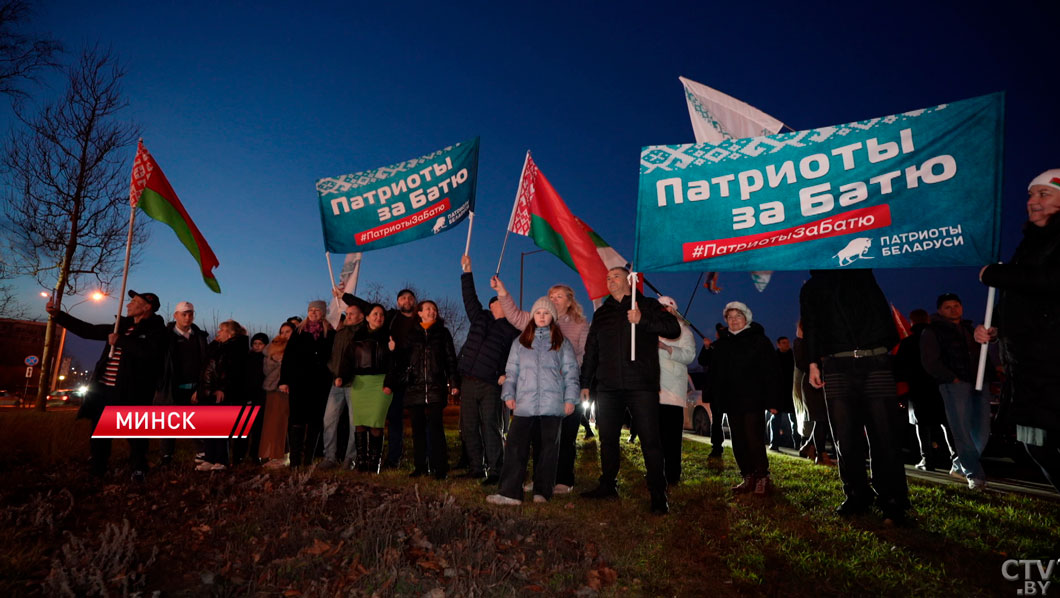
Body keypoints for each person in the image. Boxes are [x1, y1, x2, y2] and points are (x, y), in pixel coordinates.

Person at [800, 269, 909, 524]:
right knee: (845, 436)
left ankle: (892, 500)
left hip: (875, 359)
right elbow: (811, 324)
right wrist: (813, 362)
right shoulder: (812, 287)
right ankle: (856, 495)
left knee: (885, 434)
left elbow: (880, 310)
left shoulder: (862, 271)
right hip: (837, 365)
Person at [976, 169, 1060, 492]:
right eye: (1030, 195)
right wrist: (994, 326)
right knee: (1035, 445)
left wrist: (999, 274)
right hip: (1028, 367)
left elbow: (1050, 281)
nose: (1032, 202)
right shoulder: (1030, 243)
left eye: (1044, 195)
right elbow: (1023, 296)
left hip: (1053, 365)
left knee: (1045, 443)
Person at [579, 267, 680, 514]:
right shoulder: (602, 313)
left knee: (650, 441)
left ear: (628, 280)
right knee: (608, 439)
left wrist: (641, 320)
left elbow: (673, 329)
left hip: (641, 384)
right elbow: (592, 349)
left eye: (615, 276)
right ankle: (607, 486)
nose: (609, 281)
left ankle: (658, 494)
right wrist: (585, 382)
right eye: (607, 278)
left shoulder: (645, 304)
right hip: (608, 386)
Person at [46, 290, 166, 482]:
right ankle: (98, 467)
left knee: (135, 432)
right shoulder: (120, 326)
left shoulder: (157, 330)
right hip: (104, 389)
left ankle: (139, 467)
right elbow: (89, 331)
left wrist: (122, 342)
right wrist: (58, 315)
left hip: (131, 391)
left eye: (134, 301)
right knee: (99, 431)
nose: (128, 304)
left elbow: (150, 354)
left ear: (147, 307)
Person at [491, 275, 590, 494]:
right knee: (540, 437)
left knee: (564, 438)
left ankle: (563, 479)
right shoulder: (536, 319)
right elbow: (514, 315)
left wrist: (565, 372)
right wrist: (502, 292)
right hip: (537, 392)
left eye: (559, 296)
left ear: (570, 301)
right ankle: (540, 480)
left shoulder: (580, 325)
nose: (553, 299)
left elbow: (585, 355)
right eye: (551, 296)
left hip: (564, 387)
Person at [700, 302, 781, 495]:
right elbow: (711, 370)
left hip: (753, 399)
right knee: (738, 440)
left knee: (754, 438)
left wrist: (773, 400)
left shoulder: (760, 341)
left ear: (746, 318)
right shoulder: (722, 344)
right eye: (730, 317)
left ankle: (762, 476)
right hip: (730, 400)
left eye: (738, 316)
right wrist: (712, 395)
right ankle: (747, 476)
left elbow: (772, 372)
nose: (734, 320)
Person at [456, 256, 520, 484]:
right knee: (470, 426)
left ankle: (496, 470)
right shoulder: (479, 318)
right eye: (494, 302)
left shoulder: (512, 331)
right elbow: (469, 297)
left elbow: (516, 357)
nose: (497, 304)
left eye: (501, 302)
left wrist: (507, 374)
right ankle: (476, 467)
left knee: (491, 426)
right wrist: (467, 272)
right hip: (469, 381)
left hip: (491, 384)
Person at [345, 288, 420, 468]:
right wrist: (344, 296)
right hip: (393, 375)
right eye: (402, 298)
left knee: (414, 421)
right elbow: (368, 307)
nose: (406, 300)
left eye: (410, 298)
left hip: (415, 376)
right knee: (392, 418)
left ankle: (418, 460)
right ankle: (391, 459)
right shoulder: (391, 318)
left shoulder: (420, 320)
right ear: (397, 303)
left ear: (415, 302)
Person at [385, 300, 459, 480]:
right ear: (419, 313)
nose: (432, 311)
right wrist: (394, 351)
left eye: (434, 309)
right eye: (428, 309)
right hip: (415, 387)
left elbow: (450, 359)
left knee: (436, 428)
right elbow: (402, 360)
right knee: (417, 429)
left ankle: (440, 468)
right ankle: (420, 467)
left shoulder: (443, 333)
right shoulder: (411, 334)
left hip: (435, 386)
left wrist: (454, 382)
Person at [921, 295, 989, 489]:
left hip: (978, 382)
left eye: (956, 305)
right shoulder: (932, 331)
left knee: (982, 432)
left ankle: (960, 464)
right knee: (962, 430)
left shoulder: (969, 328)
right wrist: (952, 378)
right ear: (940, 310)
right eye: (947, 307)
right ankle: (974, 474)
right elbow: (930, 361)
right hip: (954, 385)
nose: (953, 309)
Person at [894, 309, 956, 472]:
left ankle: (927, 459)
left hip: (917, 389)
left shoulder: (908, 343)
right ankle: (956, 458)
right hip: (940, 387)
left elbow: (898, 369)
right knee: (946, 423)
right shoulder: (938, 339)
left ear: (912, 321)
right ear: (927, 319)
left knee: (922, 426)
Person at [279, 301, 334, 468]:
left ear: (323, 313)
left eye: (317, 310)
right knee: (297, 419)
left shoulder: (330, 332)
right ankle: (295, 460)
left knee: (315, 420)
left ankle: (308, 458)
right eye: (311, 310)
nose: (313, 313)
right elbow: (288, 357)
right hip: (299, 382)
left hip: (320, 383)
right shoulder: (299, 331)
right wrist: (284, 380)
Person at [156, 301, 208, 466]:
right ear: (175, 315)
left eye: (190, 314)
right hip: (172, 387)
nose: (187, 317)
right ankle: (166, 457)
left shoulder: (199, 337)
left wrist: (200, 388)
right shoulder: (165, 336)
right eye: (184, 314)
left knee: (196, 422)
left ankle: (202, 453)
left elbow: (205, 365)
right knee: (168, 423)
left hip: (193, 388)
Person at [344, 303, 393, 473]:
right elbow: (348, 360)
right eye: (375, 314)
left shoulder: (389, 337)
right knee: (360, 424)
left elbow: (396, 364)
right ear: (367, 317)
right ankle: (361, 461)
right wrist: (341, 376)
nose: (379, 317)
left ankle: (374, 463)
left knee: (376, 423)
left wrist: (389, 383)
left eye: (381, 315)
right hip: (360, 383)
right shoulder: (356, 338)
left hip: (381, 383)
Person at [196, 320, 249, 471]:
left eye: (221, 330)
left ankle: (221, 460)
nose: (218, 333)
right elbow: (208, 364)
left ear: (230, 333)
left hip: (220, 392)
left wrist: (222, 388)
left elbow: (232, 372)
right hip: (208, 390)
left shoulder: (235, 348)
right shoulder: (221, 346)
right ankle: (209, 458)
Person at [656, 296, 696, 486]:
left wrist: (667, 347)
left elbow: (689, 356)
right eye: (660, 308)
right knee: (655, 436)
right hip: (653, 390)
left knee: (671, 437)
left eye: (666, 308)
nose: (663, 311)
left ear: (674, 310)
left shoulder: (684, 331)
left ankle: (672, 475)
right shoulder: (652, 329)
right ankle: (656, 471)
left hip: (672, 392)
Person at [321, 302, 365, 470]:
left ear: (361, 316)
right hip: (336, 383)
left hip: (354, 383)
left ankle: (350, 459)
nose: (348, 316)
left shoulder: (362, 333)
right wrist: (334, 372)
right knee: (329, 420)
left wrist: (346, 375)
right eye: (347, 313)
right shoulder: (340, 333)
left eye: (352, 313)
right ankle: (330, 457)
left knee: (355, 422)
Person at [792, 321, 834, 466]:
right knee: (820, 418)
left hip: (823, 381)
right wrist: (819, 362)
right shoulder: (800, 342)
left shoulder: (818, 342)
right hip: (812, 383)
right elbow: (802, 363)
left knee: (824, 419)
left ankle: (809, 447)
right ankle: (821, 455)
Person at [259, 322, 295, 469]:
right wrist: (275, 360)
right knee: (271, 423)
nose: (285, 334)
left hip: (285, 390)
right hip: (271, 389)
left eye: (288, 331)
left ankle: (282, 455)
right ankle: (270, 454)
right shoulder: (270, 349)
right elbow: (266, 369)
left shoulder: (294, 349)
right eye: (282, 331)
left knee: (282, 423)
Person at [233, 331, 270, 466]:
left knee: (258, 429)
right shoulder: (247, 358)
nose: (257, 346)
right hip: (246, 397)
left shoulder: (267, 359)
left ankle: (255, 455)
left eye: (260, 344)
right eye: (255, 343)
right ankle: (238, 456)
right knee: (242, 429)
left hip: (261, 398)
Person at [697, 324, 732, 458]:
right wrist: (706, 348)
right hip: (718, 391)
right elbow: (702, 361)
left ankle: (717, 446)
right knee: (718, 421)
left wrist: (707, 348)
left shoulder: (722, 346)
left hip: (725, 390)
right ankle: (717, 446)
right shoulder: (713, 347)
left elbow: (702, 361)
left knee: (719, 421)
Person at [768, 336, 799, 451]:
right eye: (783, 343)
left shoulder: (793, 356)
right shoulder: (774, 357)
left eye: (787, 342)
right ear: (778, 344)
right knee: (775, 420)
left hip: (791, 392)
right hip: (779, 394)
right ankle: (774, 443)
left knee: (795, 421)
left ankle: (798, 445)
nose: (786, 344)